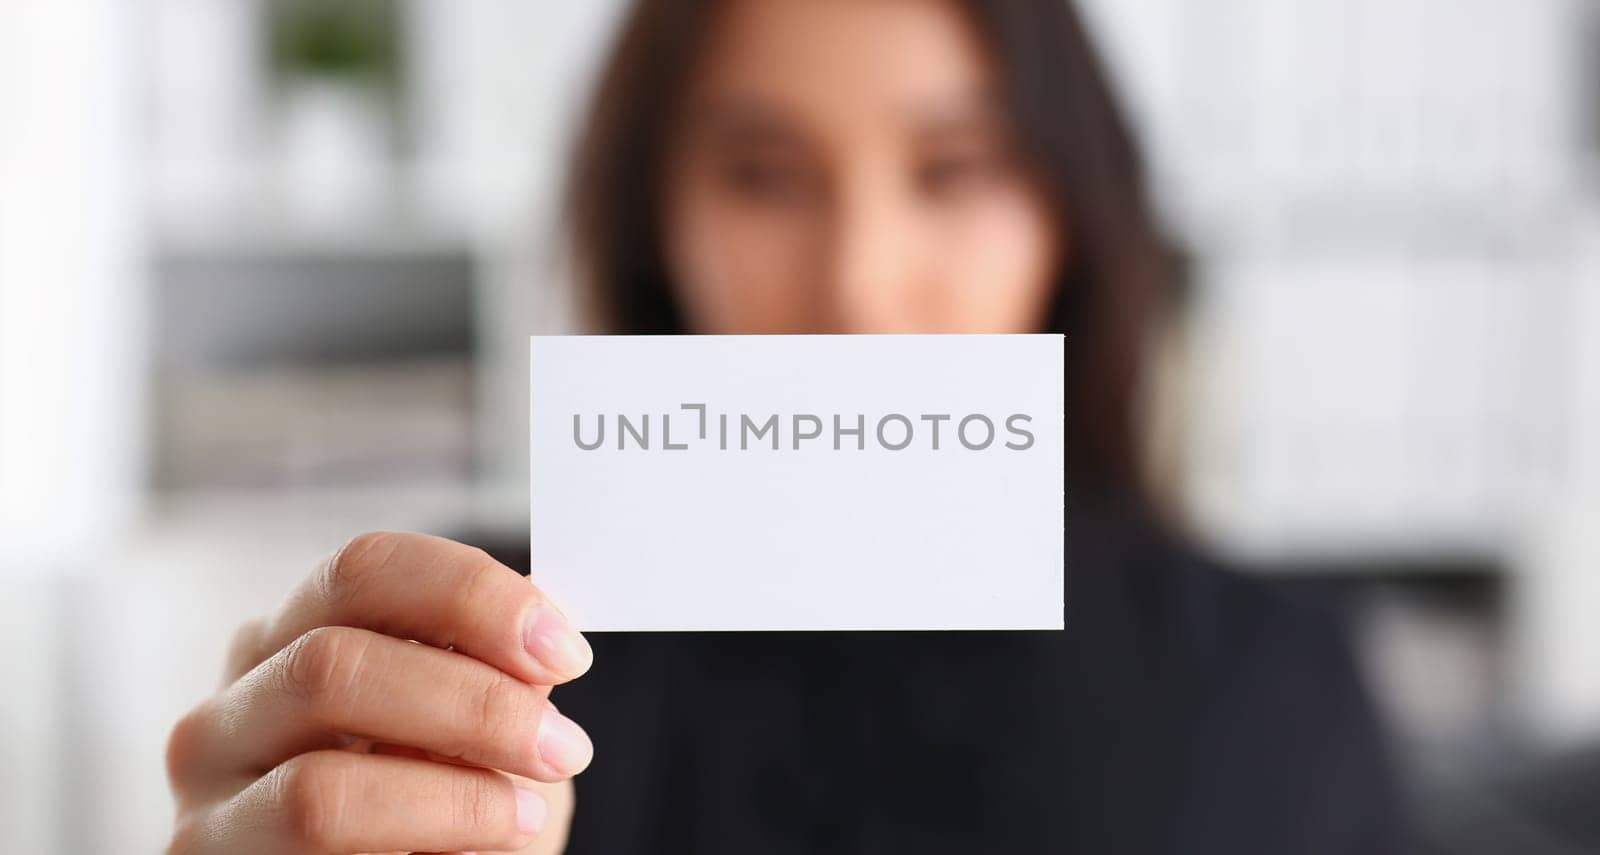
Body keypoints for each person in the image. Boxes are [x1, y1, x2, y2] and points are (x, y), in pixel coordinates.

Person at [165, 1, 1402, 852]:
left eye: (954, 168)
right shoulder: (472, 665)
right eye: (763, 176)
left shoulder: (1273, 681)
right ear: (656, 223)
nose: (860, 280)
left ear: (1072, 214)